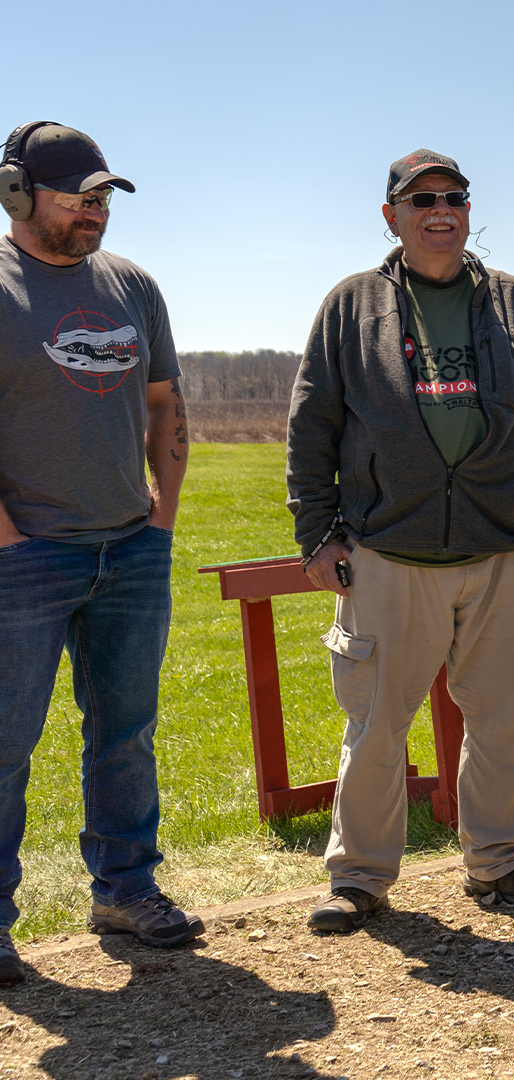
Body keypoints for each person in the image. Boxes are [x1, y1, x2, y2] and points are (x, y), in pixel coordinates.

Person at [286, 150, 514, 934]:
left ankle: (500, 862)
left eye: (454, 197)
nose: (440, 210)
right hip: (389, 550)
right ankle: (359, 878)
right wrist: (317, 533)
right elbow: (312, 427)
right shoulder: (352, 308)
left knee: (504, 716)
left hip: (501, 551)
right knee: (377, 723)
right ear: (392, 215)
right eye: (421, 200)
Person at [0, 121, 203, 977]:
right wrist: (7, 539)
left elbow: (164, 403)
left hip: (131, 548)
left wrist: (163, 516)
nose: (93, 212)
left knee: (125, 732)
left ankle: (124, 889)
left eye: (102, 198)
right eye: (76, 197)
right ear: (17, 194)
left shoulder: (132, 286)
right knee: (6, 740)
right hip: (26, 555)